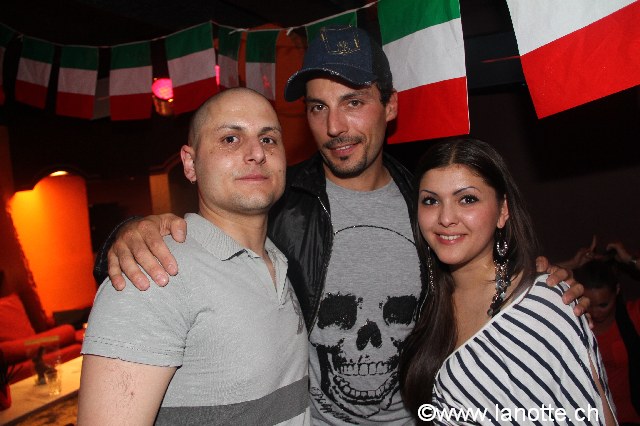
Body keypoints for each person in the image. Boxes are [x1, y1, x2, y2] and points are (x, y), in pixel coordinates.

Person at [93, 26, 586, 424]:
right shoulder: (280, 204)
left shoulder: (426, 206)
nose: (334, 127)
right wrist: (132, 230)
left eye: (353, 102)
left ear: (390, 106)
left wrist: (533, 286)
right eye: (317, 107)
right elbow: (208, 235)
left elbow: (474, 276)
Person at [78, 88, 310, 425]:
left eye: (268, 139)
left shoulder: (281, 262)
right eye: (230, 138)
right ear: (190, 163)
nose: (257, 153)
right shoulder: (152, 272)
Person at [400, 137, 615, 425]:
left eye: (467, 199)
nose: (446, 217)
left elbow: (595, 414)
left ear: (502, 211)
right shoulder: (425, 299)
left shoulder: (544, 302)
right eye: (431, 200)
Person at [574, 255, 640, 424]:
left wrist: (630, 261)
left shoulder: (633, 317)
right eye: (589, 304)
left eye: (603, 304)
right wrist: (572, 264)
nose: (595, 312)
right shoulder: (574, 324)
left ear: (617, 290)